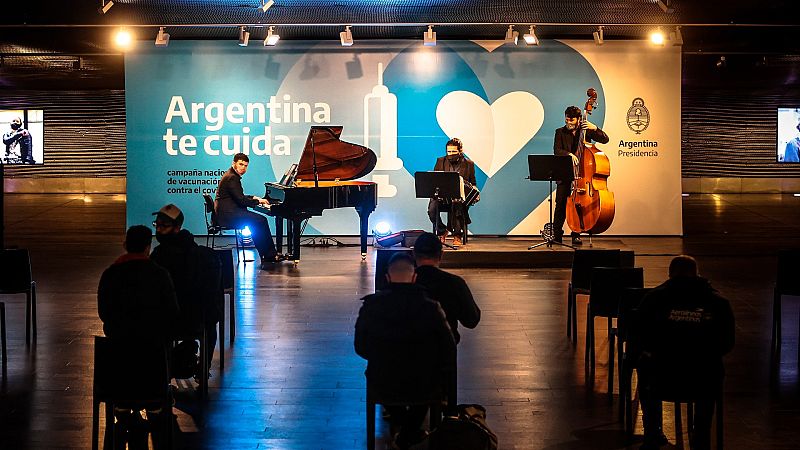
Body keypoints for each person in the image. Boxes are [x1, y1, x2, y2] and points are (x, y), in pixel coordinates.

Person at [355, 253, 456, 450]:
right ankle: (410, 433)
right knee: (430, 383)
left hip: (383, 381)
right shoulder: (431, 308)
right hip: (424, 383)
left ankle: (405, 429)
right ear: (414, 277)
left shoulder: (371, 306)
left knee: (386, 382)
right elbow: (448, 347)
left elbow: (360, 347)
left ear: (387, 278)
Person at [633, 255, 735, 450]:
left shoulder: (653, 298)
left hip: (662, 378)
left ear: (670, 274)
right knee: (713, 368)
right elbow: (727, 343)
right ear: (697, 274)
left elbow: (640, 335)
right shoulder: (718, 302)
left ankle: (653, 432)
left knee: (644, 364)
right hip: (703, 379)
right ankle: (701, 437)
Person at [97, 225, 180, 450]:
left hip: (119, 360)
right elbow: (172, 314)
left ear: (125, 245)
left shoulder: (110, 274)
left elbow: (104, 313)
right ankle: (154, 407)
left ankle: (123, 408)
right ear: (148, 247)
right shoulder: (160, 275)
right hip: (151, 361)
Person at [149, 204, 222, 380]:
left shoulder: (158, 257)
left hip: (167, 321)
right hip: (197, 319)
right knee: (210, 324)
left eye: (163, 226)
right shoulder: (202, 255)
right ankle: (203, 368)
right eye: (157, 225)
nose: (158, 230)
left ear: (176, 228)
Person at [552, 106, 609, 245]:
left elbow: (605, 139)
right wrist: (569, 154)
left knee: (579, 205)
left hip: (583, 176)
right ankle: (556, 234)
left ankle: (576, 234)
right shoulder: (559, 132)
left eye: (571, 120)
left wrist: (594, 128)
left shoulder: (586, 131)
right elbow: (557, 150)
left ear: (578, 120)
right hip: (565, 174)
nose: (568, 122)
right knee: (560, 204)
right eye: (566, 119)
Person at [412, 231, 481, 345]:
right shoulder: (454, 283)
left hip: (407, 354)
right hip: (444, 352)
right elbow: (471, 320)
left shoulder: (404, 284)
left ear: (414, 254)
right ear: (441, 254)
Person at [215, 152, 278, 269]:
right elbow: (241, 200)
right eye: (240, 164)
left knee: (257, 221)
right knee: (261, 220)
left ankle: (267, 254)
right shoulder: (232, 178)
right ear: (234, 163)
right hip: (229, 215)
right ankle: (269, 255)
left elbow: (239, 196)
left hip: (227, 213)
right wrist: (258, 201)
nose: (243, 168)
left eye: (245, 165)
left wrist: (254, 198)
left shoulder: (231, 175)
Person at [428, 137, 477, 246]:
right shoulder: (440, 161)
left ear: (460, 151)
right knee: (432, 209)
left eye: (453, 151)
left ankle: (457, 236)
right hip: (442, 196)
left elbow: (473, 183)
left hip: (459, 197)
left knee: (456, 204)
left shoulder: (469, 164)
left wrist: (475, 190)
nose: (451, 154)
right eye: (448, 151)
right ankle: (442, 231)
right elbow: (435, 179)